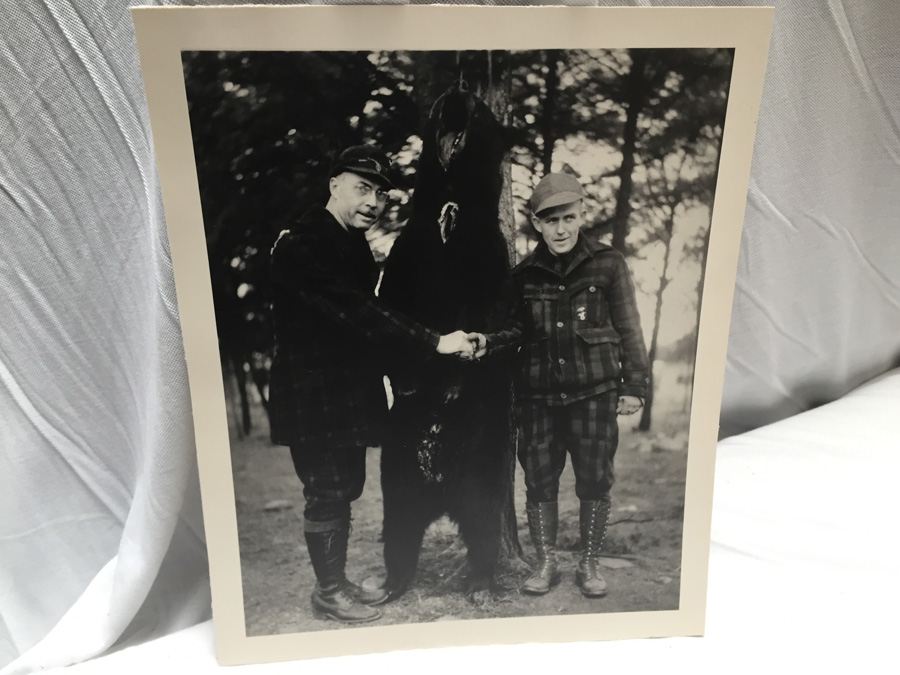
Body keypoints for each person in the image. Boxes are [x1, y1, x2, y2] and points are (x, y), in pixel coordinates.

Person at [268, 145, 478, 624]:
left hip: (346, 393)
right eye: (363, 188)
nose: (373, 202)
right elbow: (359, 312)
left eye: (381, 194)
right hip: (312, 393)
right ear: (334, 184)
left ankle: (336, 582)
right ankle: (327, 591)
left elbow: (365, 323)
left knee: (345, 487)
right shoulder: (302, 243)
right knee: (326, 490)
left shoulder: (350, 245)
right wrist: (433, 342)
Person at [480, 172, 650, 598]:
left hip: (595, 394)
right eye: (550, 220)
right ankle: (546, 562)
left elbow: (630, 328)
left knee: (595, 477)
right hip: (537, 398)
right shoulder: (523, 276)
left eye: (568, 218)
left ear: (582, 216)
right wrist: (484, 345)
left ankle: (589, 563)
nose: (561, 229)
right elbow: (513, 332)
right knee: (539, 479)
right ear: (537, 223)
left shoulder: (609, 264)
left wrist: (635, 386)